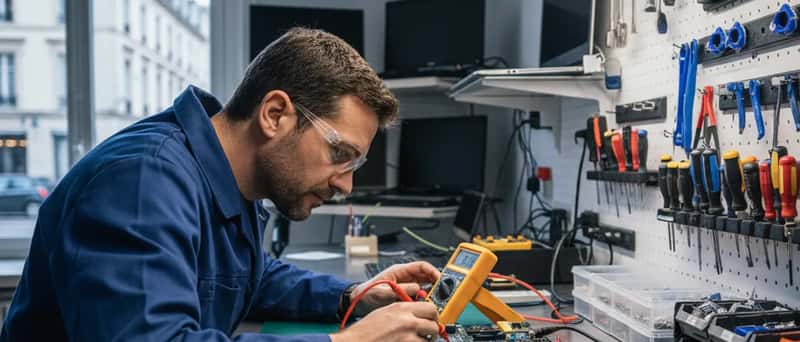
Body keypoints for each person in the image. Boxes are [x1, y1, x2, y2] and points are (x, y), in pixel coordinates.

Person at [1, 28, 442, 342]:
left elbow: (250, 276)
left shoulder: (230, 181)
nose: (346, 184)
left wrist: (356, 296)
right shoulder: (142, 182)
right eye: (340, 154)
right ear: (274, 115)